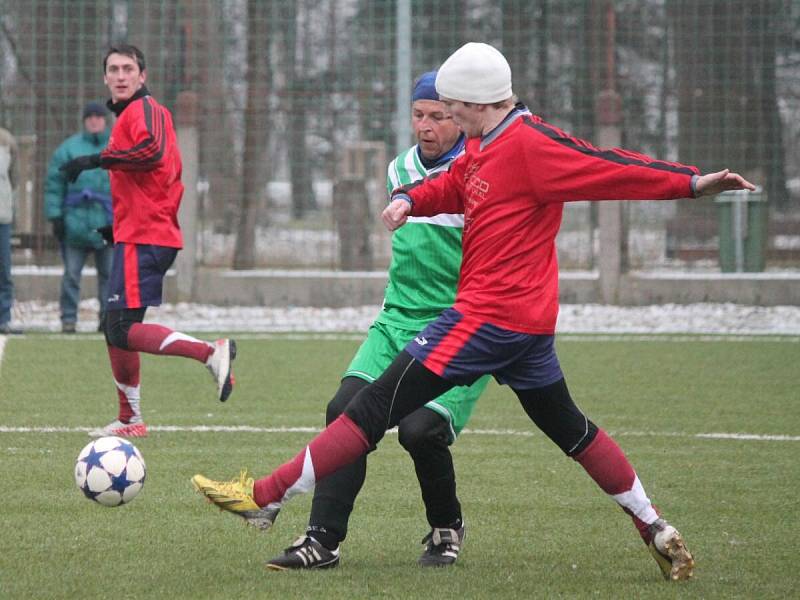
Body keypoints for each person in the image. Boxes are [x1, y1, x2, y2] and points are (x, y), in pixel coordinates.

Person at [192, 42, 755, 581]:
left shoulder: (532, 145)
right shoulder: (488, 139)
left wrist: (690, 183)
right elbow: (461, 182)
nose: (448, 119)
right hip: (526, 332)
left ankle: (262, 498)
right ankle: (653, 526)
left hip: (485, 322)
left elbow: (608, 167)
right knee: (573, 430)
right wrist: (411, 199)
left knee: (368, 410)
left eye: (454, 110)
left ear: (481, 104)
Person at [264, 71, 490, 571]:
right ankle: (322, 540)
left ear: (460, 115)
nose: (426, 126)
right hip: (395, 323)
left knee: (420, 429)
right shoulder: (398, 169)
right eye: (419, 115)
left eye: (438, 115)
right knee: (343, 409)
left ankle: (446, 526)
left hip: (461, 327)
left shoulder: (480, 174)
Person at [59, 44, 236, 438]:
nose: (120, 75)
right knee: (115, 326)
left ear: (142, 76)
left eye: (128, 69)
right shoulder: (127, 117)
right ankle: (129, 419)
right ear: (105, 77)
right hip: (137, 233)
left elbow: (152, 153)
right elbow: (152, 181)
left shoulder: (148, 110)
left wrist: (95, 160)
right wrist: (116, 228)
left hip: (148, 236)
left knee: (120, 327)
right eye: (113, 69)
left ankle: (209, 352)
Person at [45, 102, 114, 333]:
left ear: (105, 120)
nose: (94, 120)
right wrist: (55, 217)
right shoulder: (68, 149)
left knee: (109, 276)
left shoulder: (117, 147)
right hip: (75, 223)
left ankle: (107, 318)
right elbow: (54, 184)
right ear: (84, 120)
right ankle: (68, 319)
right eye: (90, 117)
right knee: (72, 275)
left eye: (98, 116)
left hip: (108, 223)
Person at [0, 125, 22, 335]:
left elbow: (14, 178)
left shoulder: (6, 140)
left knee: (4, 270)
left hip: (2, 217)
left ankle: (4, 318)